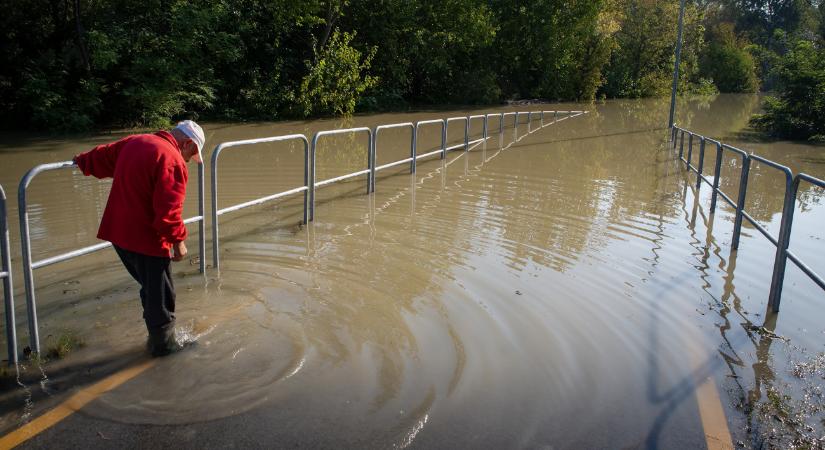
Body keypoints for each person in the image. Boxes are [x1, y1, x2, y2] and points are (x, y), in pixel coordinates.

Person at [73, 120, 205, 356]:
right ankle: (164, 348)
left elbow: (101, 158)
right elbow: (168, 212)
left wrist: (81, 161)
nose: (188, 160)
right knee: (162, 295)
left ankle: (154, 337)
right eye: (191, 154)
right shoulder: (172, 159)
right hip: (145, 241)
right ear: (186, 143)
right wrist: (179, 242)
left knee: (150, 287)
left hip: (118, 235)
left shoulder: (136, 141)